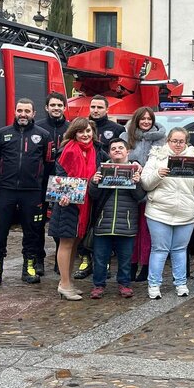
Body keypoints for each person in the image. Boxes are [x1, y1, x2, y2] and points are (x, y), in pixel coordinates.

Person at [0, 98, 51, 289]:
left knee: (31, 232)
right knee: (0, 232)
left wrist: (37, 180)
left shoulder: (43, 135)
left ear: (34, 114)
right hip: (5, 191)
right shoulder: (2, 134)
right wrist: (1, 178)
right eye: (20, 110)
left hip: (31, 192)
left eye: (27, 111)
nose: (23, 114)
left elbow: (48, 163)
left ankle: (29, 268)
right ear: (14, 112)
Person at [140, 127, 194, 299]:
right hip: (159, 211)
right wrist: (157, 174)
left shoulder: (193, 158)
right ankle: (154, 285)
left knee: (179, 249)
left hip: (186, 211)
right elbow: (146, 184)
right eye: (174, 141)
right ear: (168, 141)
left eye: (181, 141)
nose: (178, 145)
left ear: (186, 142)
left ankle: (181, 283)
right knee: (160, 249)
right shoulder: (156, 157)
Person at [49, 117, 102, 301]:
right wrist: (62, 195)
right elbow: (60, 176)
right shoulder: (67, 150)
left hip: (86, 204)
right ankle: (63, 284)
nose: (85, 135)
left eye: (88, 131)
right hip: (68, 204)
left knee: (75, 244)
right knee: (66, 243)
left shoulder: (96, 150)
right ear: (74, 133)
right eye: (81, 131)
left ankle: (68, 281)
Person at [75, 95, 126, 280]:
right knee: (85, 224)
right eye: (93, 106)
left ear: (107, 109)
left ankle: (103, 262)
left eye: (99, 107)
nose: (95, 110)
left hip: (107, 188)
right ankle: (85, 259)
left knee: (101, 226)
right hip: (86, 185)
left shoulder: (117, 129)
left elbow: (120, 154)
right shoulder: (82, 127)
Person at [88, 137, 145, 299]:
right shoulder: (102, 168)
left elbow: (140, 197)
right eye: (113, 148)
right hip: (103, 222)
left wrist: (137, 183)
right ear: (109, 152)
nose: (117, 150)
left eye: (121, 147)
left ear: (128, 151)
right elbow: (93, 195)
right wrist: (94, 182)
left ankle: (124, 284)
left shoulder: (135, 170)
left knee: (125, 259)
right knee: (100, 258)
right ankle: (98, 285)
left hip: (126, 224)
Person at [121, 106, 166, 283]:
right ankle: (131, 264)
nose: (146, 122)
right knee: (131, 230)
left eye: (149, 119)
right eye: (143, 118)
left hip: (152, 190)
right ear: (137, 119)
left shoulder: (161, 139)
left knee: (148, 232)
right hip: (130, 189)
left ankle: (146, 266)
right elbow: (120, 157)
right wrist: (132, 163)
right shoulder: (126, 136)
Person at [36, 91, 70, 275]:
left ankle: (60, 260)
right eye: (53, 105)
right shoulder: (38, 127)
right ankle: (39, 259)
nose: (56, 108)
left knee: (59, 222)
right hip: (41, 181)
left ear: (64, 107)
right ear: (46, 108)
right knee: (38, 223)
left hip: (63, 182)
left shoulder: (71, 128)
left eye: (59, 105)